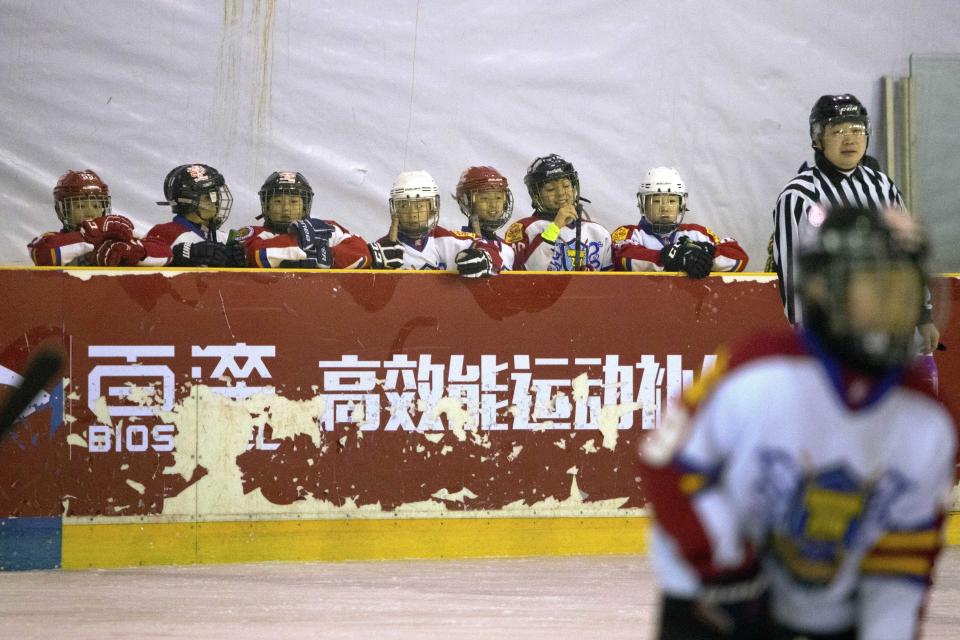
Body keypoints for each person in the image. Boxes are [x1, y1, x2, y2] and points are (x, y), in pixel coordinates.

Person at [639, 205, 956, 639]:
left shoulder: (927, 421)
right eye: (878, 282)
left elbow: (901, 558)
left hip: (831, 611)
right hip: (713, 602)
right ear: (825, 288)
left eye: (907, 283)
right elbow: (668, 463)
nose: (897, 301)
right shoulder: (757, 368)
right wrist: (727, 571)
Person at [771, 94, 938, 356]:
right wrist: (807, 336)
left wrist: (923, 315)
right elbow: (794, 274)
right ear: (817, 139)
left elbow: (908, 251)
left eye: (857, 129)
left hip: (892, 327)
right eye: (837, 130)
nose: (849, 138)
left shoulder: (882, 185)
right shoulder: (799, 196)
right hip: (832, 334)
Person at [231, 171, 395, 269]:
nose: (286, 208)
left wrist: (328, 257)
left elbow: (361, 253)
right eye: (278, 202)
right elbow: (259, 255)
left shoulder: (326, 226)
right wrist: (315, 249)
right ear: (266, 206)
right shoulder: (251, 233)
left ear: (304, 206)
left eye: (294, 202)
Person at [612, 166, 748, 276]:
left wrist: (704, 254)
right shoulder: (629, 233)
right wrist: (670, 257)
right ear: (643, 205)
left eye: (672, 201)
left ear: (681, 205)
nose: (664, 208)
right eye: (657, 201)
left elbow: (738, 257)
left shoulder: (697, 233)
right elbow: (623, 257)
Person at [28, 169, 170, 267]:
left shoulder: (119, 236)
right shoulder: (53, 238)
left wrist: (136, 251)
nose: (90, 212)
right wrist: (91, 234)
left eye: (96, 206)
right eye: (81, 206)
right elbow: (40, 253)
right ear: (62, 210)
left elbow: (167, 253)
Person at [374, 170, 501, 276]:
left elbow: (490, 249)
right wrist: (374, 264)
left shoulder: (448, 239)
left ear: (432, 209)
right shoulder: (383, 249)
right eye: (404, 206)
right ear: (395, 210)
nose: (412, 213)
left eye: (419, 206)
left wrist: (485, 257)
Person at [504, 154, 612, 271]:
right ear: (536, 195)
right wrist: (555, 227)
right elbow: (531, 274)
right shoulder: (524, 229)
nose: (561, 193)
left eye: (566, 186)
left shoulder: (598, 233)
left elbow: (610, 283)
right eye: (550, 189)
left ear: (574, 188)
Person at [145, 164, 247, 268]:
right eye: (209, 197)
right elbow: (140, 260)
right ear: (187, 202)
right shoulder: (165, 233)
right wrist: (177, 256)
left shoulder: (223, 238)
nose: (216, 202)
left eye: (216, 195)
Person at [453, 166, 517, 270]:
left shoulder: (508, 249)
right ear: (466, 201)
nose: (493, 205)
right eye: (484, 198)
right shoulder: (457, 243)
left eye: (498, 198)